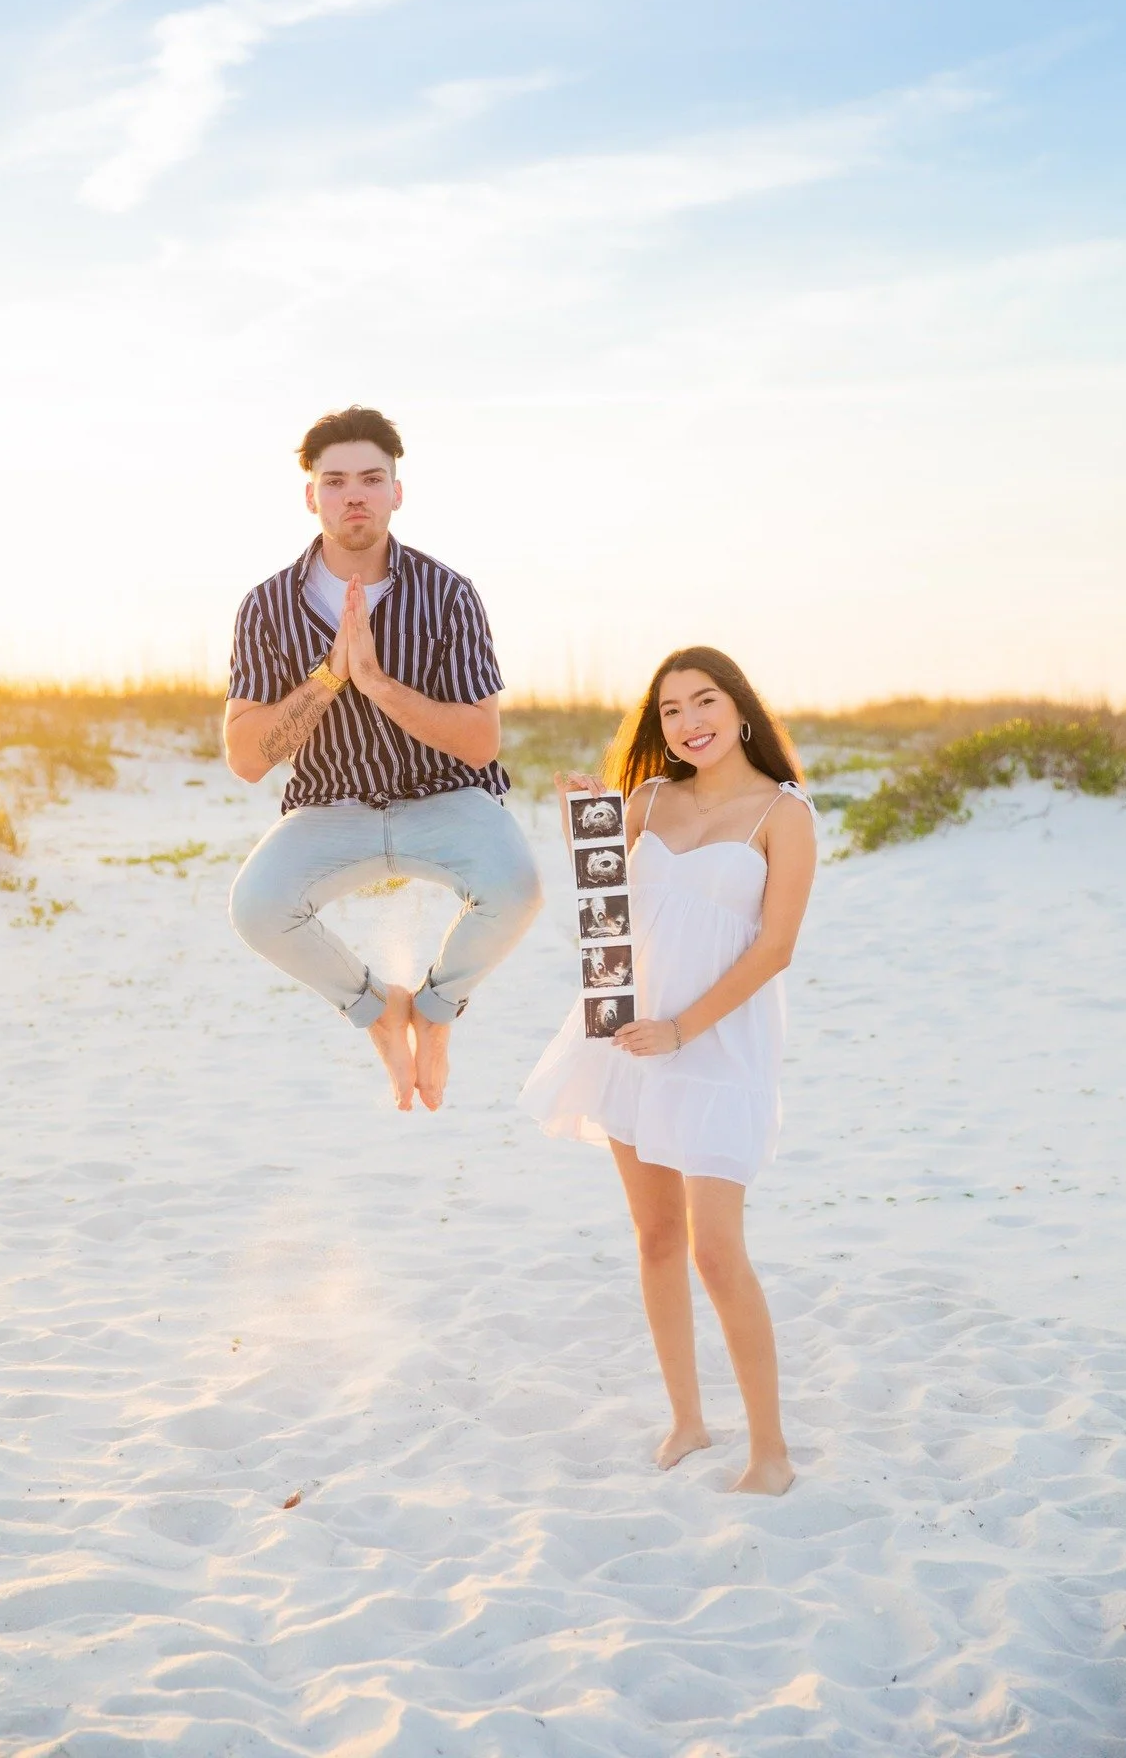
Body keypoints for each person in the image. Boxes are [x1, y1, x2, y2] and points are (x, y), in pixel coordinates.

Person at [519, 648, 816, 1494]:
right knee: (654, 1238)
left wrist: (683, 1028)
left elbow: (776, 947)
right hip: (630, 1042)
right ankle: (687, 1420)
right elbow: (605, 919)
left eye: (704, 701)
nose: (688, 721)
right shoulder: (648, 799)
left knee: (715, 1251)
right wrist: (587, 828)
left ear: (740, 708)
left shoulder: (782, 815)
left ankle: (770, 1452)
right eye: (671, 710)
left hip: (715, 1047)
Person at [225, 406, 542, 1112]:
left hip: (444, 797)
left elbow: (480, 742)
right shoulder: (266, 607)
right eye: (335, 481)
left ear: (398, 490)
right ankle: (378, 1011)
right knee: (256, 908)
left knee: (517, 887)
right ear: (311, 495)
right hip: (329, 805)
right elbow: (246, 759)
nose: (355, 495)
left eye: (372, 478)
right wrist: (330, 679)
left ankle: (434, 1009)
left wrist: (377, 686)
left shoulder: (448, 593)